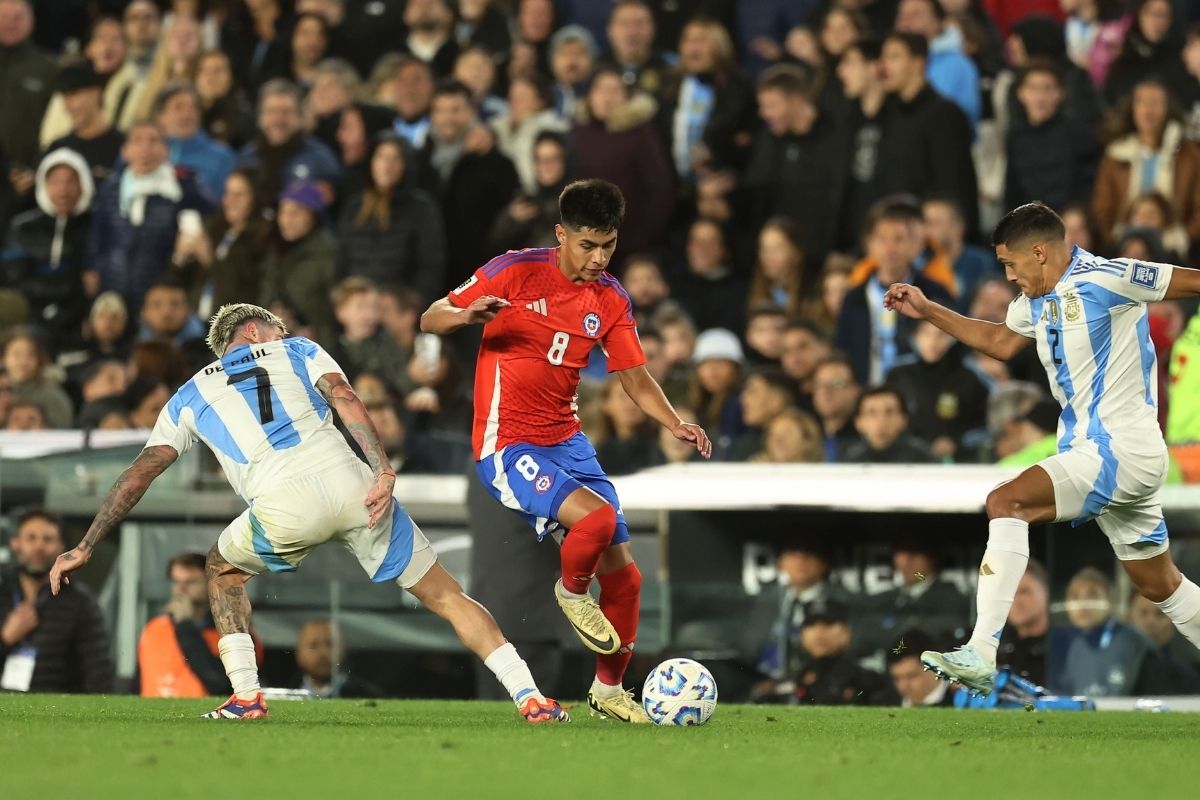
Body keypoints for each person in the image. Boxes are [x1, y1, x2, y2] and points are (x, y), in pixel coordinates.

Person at [49, 302, 568, 724]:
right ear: (255, 331)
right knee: (447, 596)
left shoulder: (189, 394)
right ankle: (531, 697)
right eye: (276, 328)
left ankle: (246, 697)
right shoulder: (297, 349)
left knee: (222, 570)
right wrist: (383, 469)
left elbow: (140, 472)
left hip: (283, 505)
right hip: (355, 488)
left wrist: (85, 545)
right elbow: (343, 395)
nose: (282, 333)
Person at [419, 179, 711, 722]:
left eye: (609, 245)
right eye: (588, 245)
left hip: (568, 440)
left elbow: (634, 375)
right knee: (595, 521)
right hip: (507, 444)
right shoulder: (514, 269)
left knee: (627, 578)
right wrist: (464, 315)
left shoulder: (611, 298)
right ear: (561, 234)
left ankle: (608, 690)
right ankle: (573, 593)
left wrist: (675, 422)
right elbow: (430, 316)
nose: (599, 258)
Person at [885, 201, 1200, 696]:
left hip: (1120, 449)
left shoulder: (1110, 278)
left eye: (1010, 264)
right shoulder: (1034, 300)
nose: (1008, 276)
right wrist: (928, 310)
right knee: (1160, 585)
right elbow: (1000, 342)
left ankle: (981, 651)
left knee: (1006, 501)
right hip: (1099, 455)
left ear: (1039, 252)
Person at [89, 121, 212, 313]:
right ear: (125, 151)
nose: (145, 148)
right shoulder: (111, 189)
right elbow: (98, 234)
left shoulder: (183, 188)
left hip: (160, 296)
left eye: (153, 141)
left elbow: (212, 213)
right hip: (112, 287)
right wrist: (91, 268)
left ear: (166, 150)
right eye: (137, 141)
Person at [1, 509, 113, 693]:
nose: (39, 546)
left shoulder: (81, 602)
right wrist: (4, 638)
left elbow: (98, 672)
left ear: (62, 547)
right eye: (31, 538)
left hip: (59, 705)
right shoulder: (3, 591)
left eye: (48, 539)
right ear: (15, 543)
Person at [1, 149, 93, 350]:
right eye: (55, 182)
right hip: (30, 314)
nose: (63, 190)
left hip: (77, 318)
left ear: (84, 184)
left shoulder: (94, 226)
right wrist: (68, 287)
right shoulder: (23, 227)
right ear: (43, 184)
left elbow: (93, 282)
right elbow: (15, 280)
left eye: (71, 181)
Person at [336, 134, 445, 302]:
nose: (387, 165)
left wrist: (414, 305)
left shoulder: (421, 208)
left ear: (406, 165)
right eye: (381, 157)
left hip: (400, 307)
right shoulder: (354, 206)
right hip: (356, 306)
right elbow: (342, 262)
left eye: (395, 158)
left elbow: (431, 266)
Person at [137, 551, 261, 698]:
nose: (181, 590)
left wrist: (185, 625)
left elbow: (221, 684)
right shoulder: (155, 628)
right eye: (176, 582)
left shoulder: (234, 634)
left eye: (191, 582)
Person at [44, 64, 125, 190]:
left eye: (73, 95)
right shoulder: (58, 149)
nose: (67, 106)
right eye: (65, 98)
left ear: (96, 93)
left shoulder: (124, 147)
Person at [843, 386, 937, 464]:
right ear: (858, 422)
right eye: (872, 413)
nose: (881, 421)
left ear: (904, 419)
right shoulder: (850, 460)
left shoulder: (923, 458)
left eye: (890, 412)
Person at [292, 619, 382, 698]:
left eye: (330, 644)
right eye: (313, 645)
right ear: (298, 655)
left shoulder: (369, 696)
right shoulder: (285, 694)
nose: (323, 653)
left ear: (344, 649)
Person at [996, 559, 1049, 686]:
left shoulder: (1064, 648)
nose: (1016, 601)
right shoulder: (999, 650)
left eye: (1024, 592)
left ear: (1046, 593)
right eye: (1009, 593)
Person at [887, 629, 954, 707]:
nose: (902, 687)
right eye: (896, 679)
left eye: (911, 676)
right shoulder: (886, 703)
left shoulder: (961, 701)